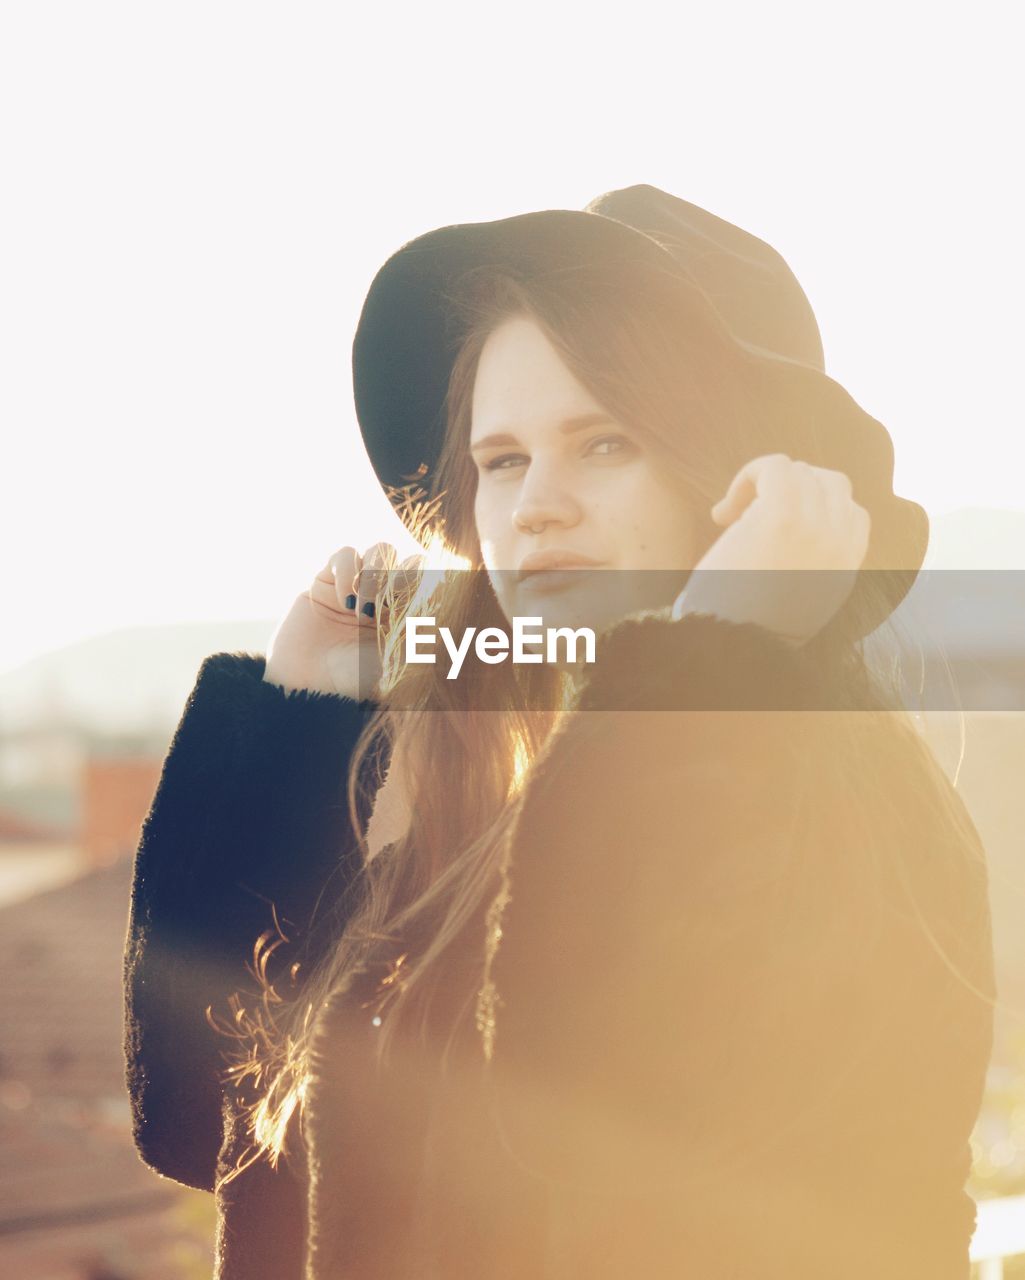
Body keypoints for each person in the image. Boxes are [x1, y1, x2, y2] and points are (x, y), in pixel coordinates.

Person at [123, 185, 996, 1279]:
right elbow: (199, 1119)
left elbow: (578, 1135)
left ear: (740, 486)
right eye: (500, 460)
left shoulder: (822, 797)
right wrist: (291, 746)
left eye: (603, 442)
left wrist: (708, 667)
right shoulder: (498, 803)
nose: (534, 505)